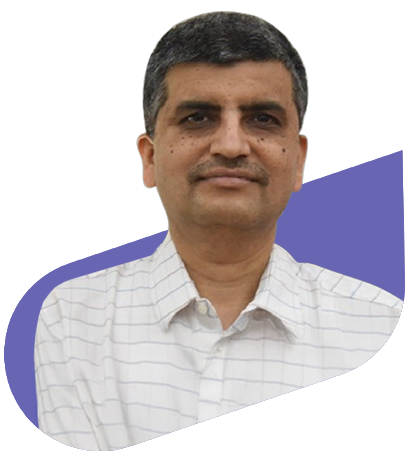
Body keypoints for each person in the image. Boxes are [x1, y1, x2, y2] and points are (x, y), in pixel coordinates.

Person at [34, 11, 403, 451]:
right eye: (198, 118)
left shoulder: (383, 328)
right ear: (149, 158)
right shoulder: (73, 319)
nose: (230, 145)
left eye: (262, 119)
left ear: (299, 160)